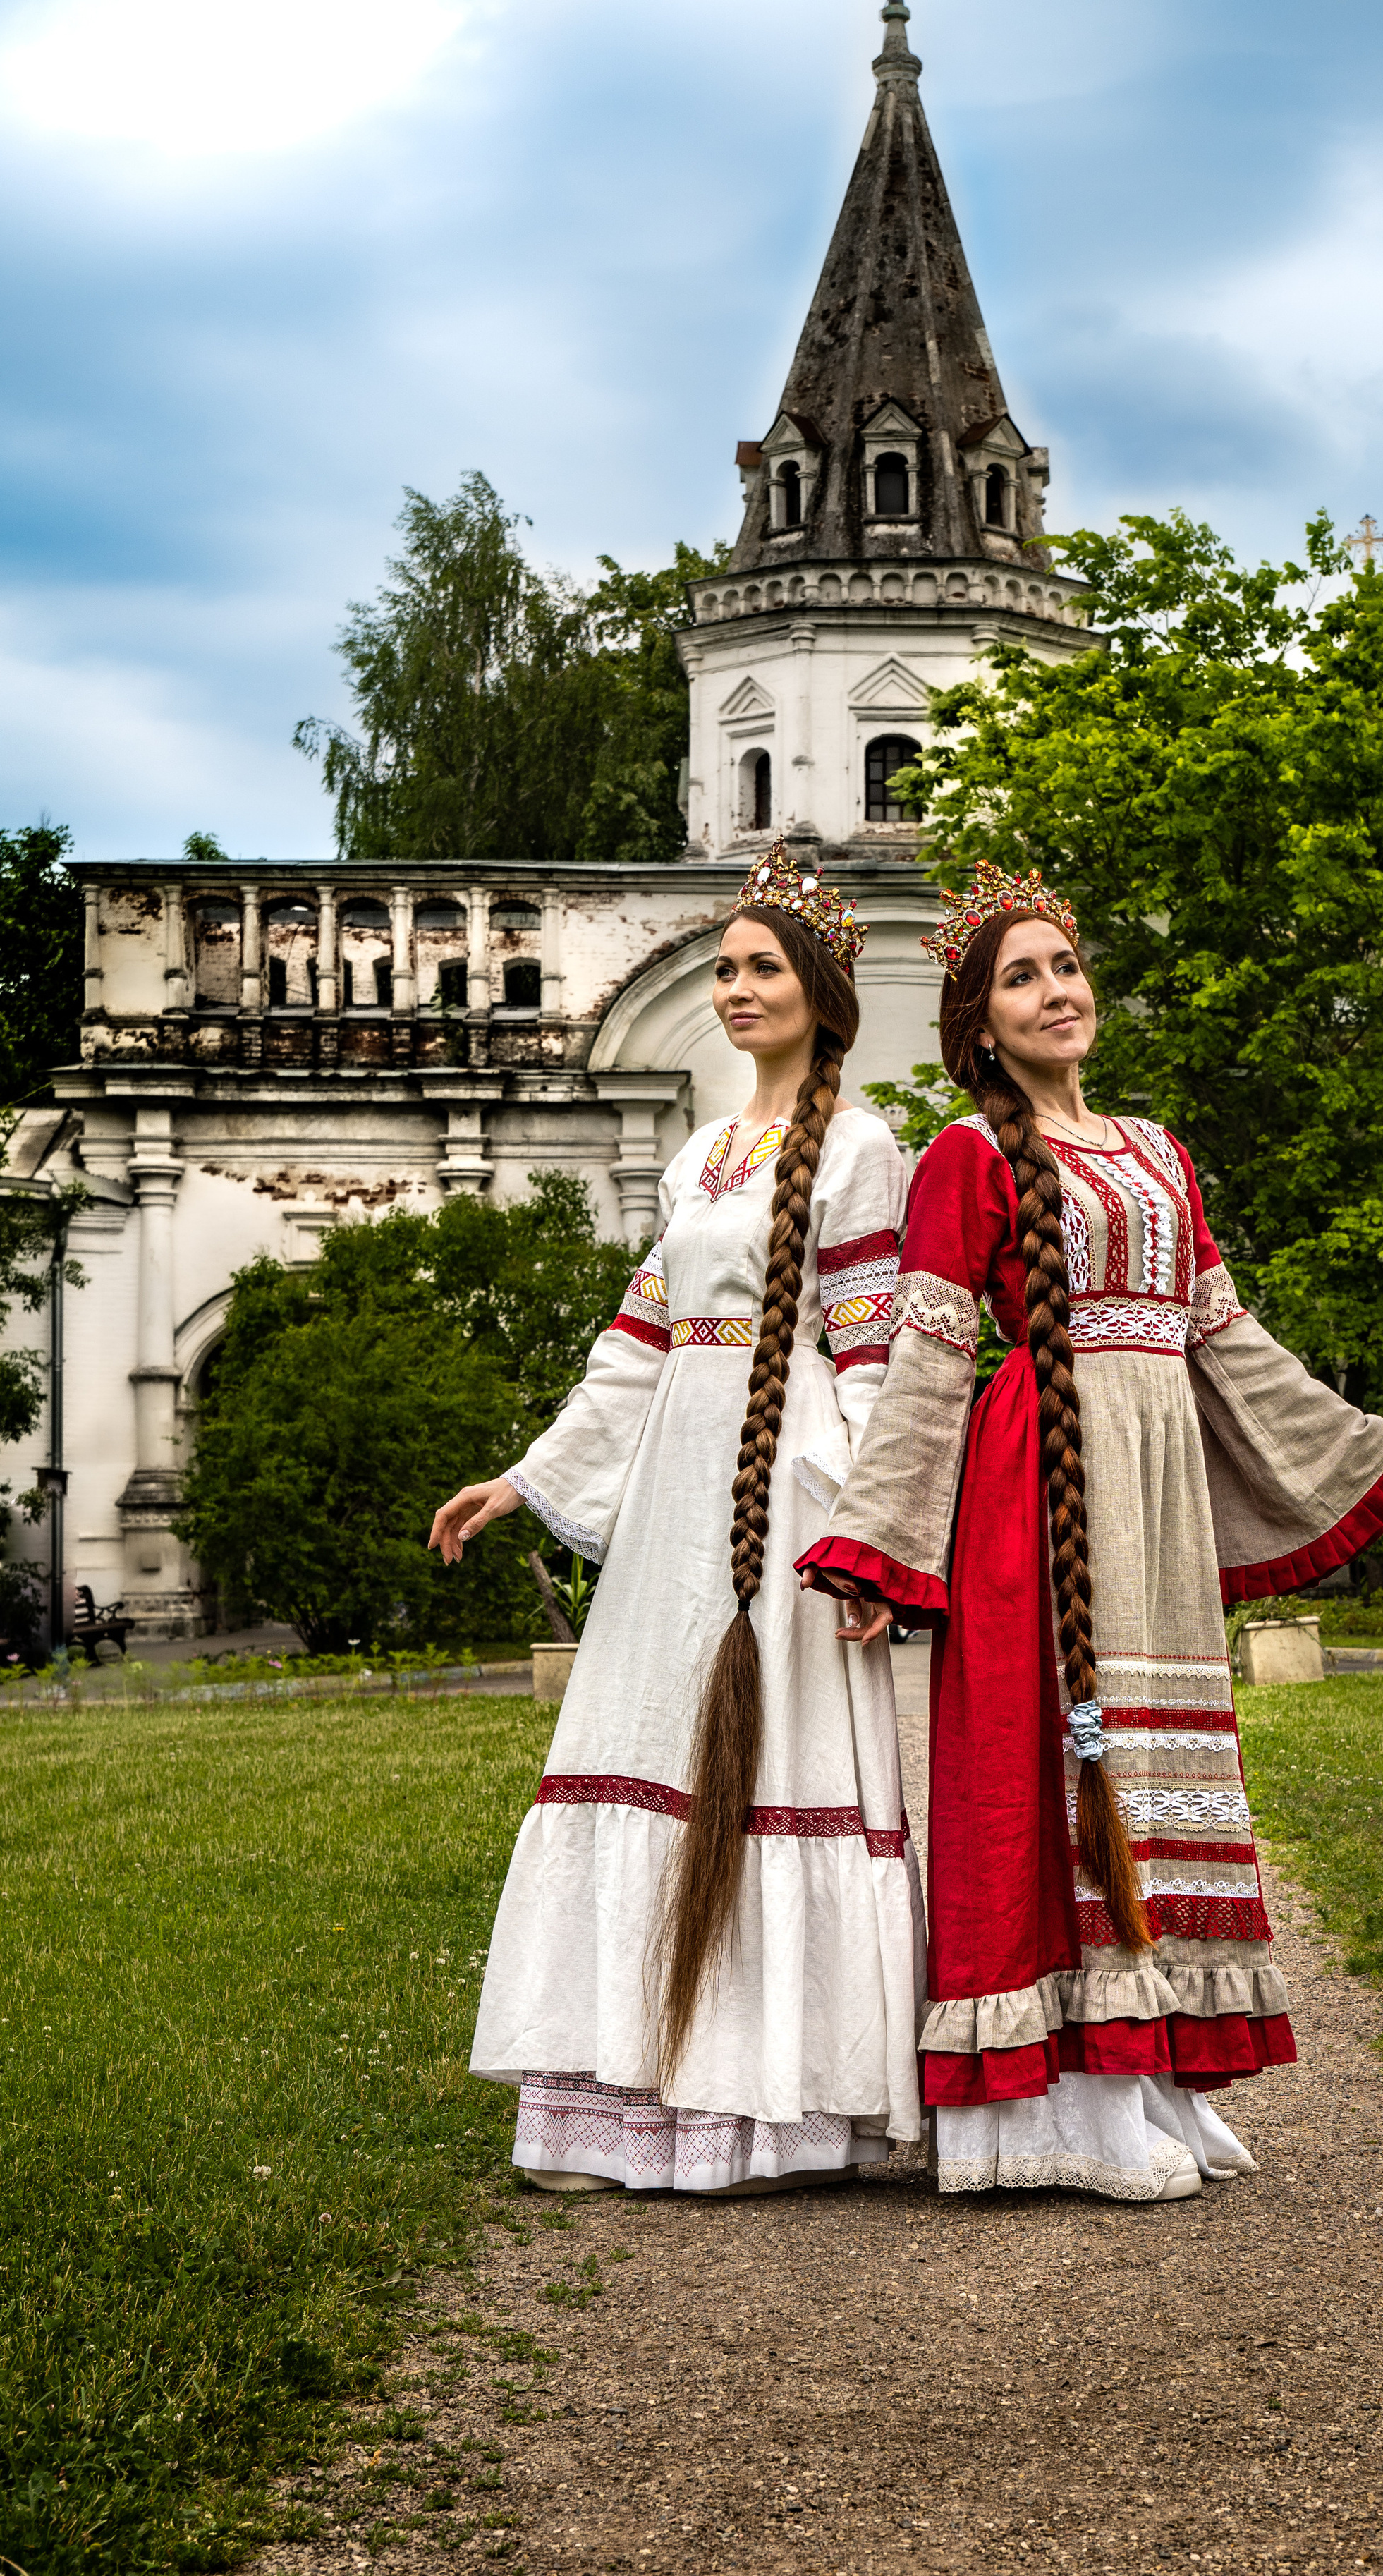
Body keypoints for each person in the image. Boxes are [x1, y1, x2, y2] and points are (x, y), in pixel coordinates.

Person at [798, 863, 1383, 2204]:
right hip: (1034, 1487)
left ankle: (1147, 2069)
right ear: (979, 1024)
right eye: (1024, 976)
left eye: (1066, 964)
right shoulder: (968, 1156)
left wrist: (1368, 1440)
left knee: (1157, 1776)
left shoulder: (1159, 1150)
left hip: (1151, 1502)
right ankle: (1058, 2110)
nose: (1059, 990)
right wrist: (878, 1543)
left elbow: (1228, 1339)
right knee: (1045, 1778)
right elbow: (930, 1358)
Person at [429, 846, 922, 2195]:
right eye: (723, 968)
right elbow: (636, 1349)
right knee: (642, 1742)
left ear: (822, 991)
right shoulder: (704, 1155)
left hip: (796, 1486)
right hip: (675, 1500)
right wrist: (525, 1477)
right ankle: (620, 2102)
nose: (735, 987)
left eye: (763, 966)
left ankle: (784, 2109)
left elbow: (875, 1359)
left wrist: (870, 1538)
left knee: (783, 1772)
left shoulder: (869, 1149)